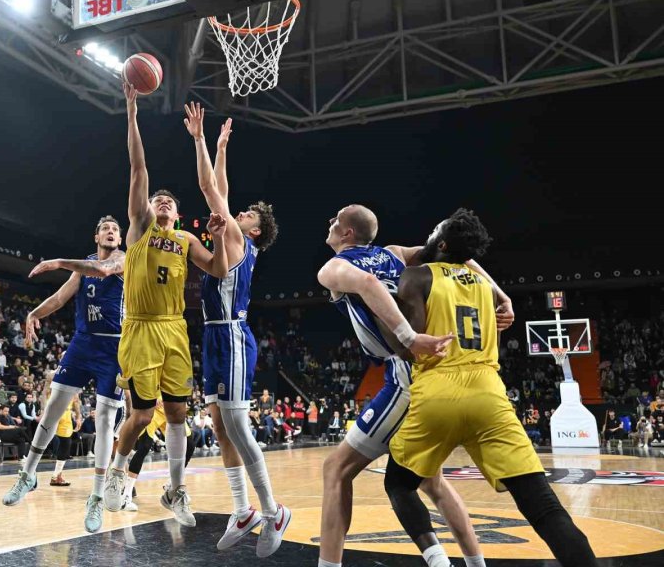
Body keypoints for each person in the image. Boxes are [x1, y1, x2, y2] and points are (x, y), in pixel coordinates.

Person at [385, 208, 598, 567]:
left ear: (443, 242)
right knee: (543, 506)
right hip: (488, 391)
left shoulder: (416, 277)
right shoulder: (485, 286)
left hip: (439, 388)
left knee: (399, 484)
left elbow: (410, 346)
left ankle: (438, 560)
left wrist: (375, 310)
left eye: (435, 228)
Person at [316, 205, 516, 567]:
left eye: (335, 220)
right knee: (431, 481)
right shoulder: (393, 254)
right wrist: (500, 294)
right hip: (438, 373)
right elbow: (457, 254)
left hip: (406, 372)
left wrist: (410, 337)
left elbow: (369, 283)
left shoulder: (332, 268)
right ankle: (475, 563)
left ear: (347, 233)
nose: (329, 223)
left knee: (336, 469)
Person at [101, 82, 229, 528]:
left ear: (177, 213)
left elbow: (219, 269)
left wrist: (216, 233)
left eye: (169, 202)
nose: (162, 201)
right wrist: (132, 113)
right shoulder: (137, 231)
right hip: (139, 327)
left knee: (177, 413)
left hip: (175, 328)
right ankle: (117, 475)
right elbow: (138, 167)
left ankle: (175, 490)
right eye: (158, 199)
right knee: (139, 414)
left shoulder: (186, 239)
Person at [184, 104, 288, 555]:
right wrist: (223, 147)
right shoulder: (230, 236)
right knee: (221, 429)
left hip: (231, 335)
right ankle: (242, 509)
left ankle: (272, 510)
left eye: (249, 214)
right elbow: (221, 189)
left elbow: (210, 188)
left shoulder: (238, 240)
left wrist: (200, 139)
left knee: (239, 428)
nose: (240, 211)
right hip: (211, 335)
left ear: (256, 230)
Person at [0, 216, 127, 534]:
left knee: (105, 421)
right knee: (54, 406)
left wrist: (57, 261)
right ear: (96, 234)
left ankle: (96, 496)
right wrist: (33, 312)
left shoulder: (122, 259)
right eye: (106, 229)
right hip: (83, 345)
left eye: (116, 229)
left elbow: (104, 271)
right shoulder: (82, 266)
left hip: (114, 348)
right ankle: (27, 475)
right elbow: (59, 299)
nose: (111, 232)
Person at [123, 397, 197, 512]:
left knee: (190, 444)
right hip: (153, 408)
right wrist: (154, 396)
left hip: (171, 406)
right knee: (144, 447)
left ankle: (172, 485)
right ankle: (126, 495)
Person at [50, 396, 82, 487]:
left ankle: (56, 476)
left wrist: (78, 418)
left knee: (65, 447)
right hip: (52, 413)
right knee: (40, 444)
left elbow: (76, 401)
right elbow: (45, 393)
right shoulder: (52, 384)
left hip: (65, 417)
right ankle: (28, 475)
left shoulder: (73, 388)